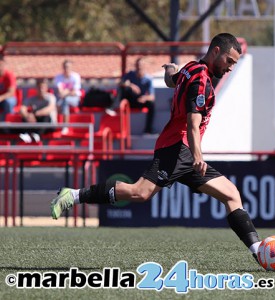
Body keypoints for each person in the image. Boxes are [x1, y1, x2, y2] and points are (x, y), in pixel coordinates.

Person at [50, 33, 262, 265]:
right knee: (139, 192)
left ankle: (259, 251)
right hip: (178, 148)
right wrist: (198, 157)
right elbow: (192, 123)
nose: (230, 67)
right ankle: (72, 195)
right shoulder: (202, 81)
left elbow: (172, 80)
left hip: (180, 148)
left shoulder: (191, 68)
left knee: (231, 194)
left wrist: (170, 68)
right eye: (229, 61)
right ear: (216, 51)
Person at [116, 57, 156, 134]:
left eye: (140, 65)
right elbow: (120, 83)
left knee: (151, 104)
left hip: (140, 100)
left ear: (144, 66)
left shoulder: (148, 79)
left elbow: (152, 96)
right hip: (130, 100)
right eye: (137, 65)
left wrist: (145, 98)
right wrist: (131, 85)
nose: (139, 67)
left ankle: (148, 129)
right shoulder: (130, 74)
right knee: (124, 89)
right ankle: (116, 107)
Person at [18, 78, 57, 143]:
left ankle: (37, 134)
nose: (41, 89)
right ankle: (28, 134)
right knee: (25, 116)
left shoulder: (51, 97)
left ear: (46, 88)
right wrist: (27, 115)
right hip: (35, 123)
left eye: (43, 87)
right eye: (39, 87)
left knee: (46, 116)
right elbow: (22, 109)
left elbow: (50, 108)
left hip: (49, 125)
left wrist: (35, 114)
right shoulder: (31, 99)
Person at [53, 59, 81, 125]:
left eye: (68, 67)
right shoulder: (58, 77)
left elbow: (74, 92)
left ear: (71, 68)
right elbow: (60, 91)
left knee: (65, 101)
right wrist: (67, 92)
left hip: (74, 99)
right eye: (65, 67)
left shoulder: (75, 76)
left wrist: (66, 91)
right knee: (54, 102)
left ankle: (65, 125)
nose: (66, 69)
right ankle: (53, 123)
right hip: (61, 98)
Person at [0, 54, 17, 121]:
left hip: (8, 99)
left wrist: (1, 98)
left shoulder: (9, 75)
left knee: (9, 102)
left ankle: (9, 122)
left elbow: (11, 93)